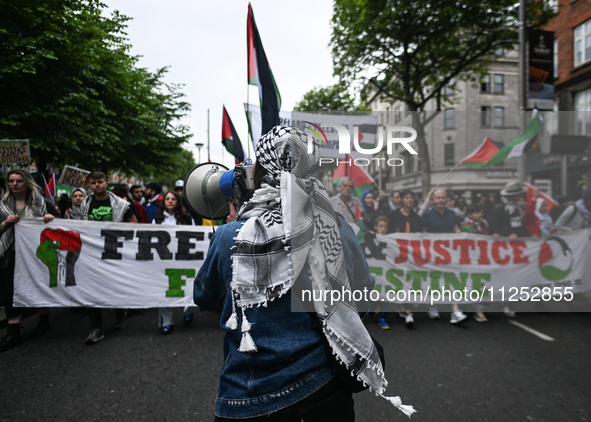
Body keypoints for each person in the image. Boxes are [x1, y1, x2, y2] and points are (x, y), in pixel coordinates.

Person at [194, 126, 414, 421]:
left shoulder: (230, 236)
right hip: (323, 389)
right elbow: (362, 297)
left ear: (259, 173)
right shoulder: (335, 226)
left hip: (247, 397)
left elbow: (205, 298)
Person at [0, 169, 55, 352]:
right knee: (11, 292)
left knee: (39, 286)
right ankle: (13, 333)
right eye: (11, 181)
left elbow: (58, 227)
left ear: (27, 182)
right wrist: (5, 223)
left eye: (19, 181)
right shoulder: (2, 205)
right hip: (11, 254)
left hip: (35, 254)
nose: (14, 184)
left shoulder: (42, 203)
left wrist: (48, 219)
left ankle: (43, 322)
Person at [79, 171, 137, 345]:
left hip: (113, 251)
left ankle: (120, 313)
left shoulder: (121, 205)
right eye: (93, 183)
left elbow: (134, 223)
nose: (97, 185)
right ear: (89, 184)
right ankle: (95, 327)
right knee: (91, 289)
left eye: (100, 182)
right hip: (92, 253)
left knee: (113, 285)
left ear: (106, 183)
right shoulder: (84, 205)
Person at [422, 189, 466, 324]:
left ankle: (455, 310)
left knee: (452, 280)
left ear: (446, 199)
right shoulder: (427, 215)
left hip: (450, 253)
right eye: (438, 198)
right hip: (433, 253)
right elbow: (423, 233)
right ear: (433, 200)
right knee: (434, 280)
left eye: (443, 198)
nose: (441, 200)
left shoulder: (452, 213)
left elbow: (455, 229)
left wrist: (464, 236)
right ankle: (433, 306)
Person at [153, 191, 195, 334]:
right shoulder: (157, 219)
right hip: (164, 260)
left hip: (182, 259)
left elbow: (194, 235)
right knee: (164, 290)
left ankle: (187, 310)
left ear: (177, 201)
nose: (170, 201)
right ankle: (167, 321)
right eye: (167, 199)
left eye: (173, 199)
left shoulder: (187, 218)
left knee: (184, 287)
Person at [460, 204, 489, 322]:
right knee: (467, 284)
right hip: (469, 258)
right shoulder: (465, 226)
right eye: (476, 213)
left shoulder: (484, 224)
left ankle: (478, 308)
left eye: (480, 212)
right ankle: (465, 309)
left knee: (478, 284)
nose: (479, 214)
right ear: (469, 215)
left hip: (482, 257)